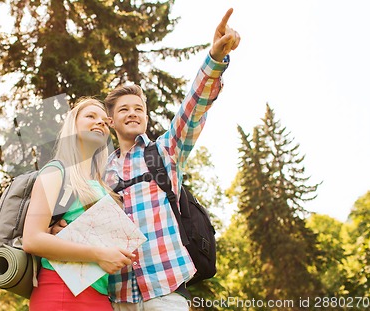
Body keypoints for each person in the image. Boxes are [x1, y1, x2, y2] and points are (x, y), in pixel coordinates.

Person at [51, 8, 240, 311]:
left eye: (138, 108)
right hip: (117, 295)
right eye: (124, 109)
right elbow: (83, 226)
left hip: (165, 288)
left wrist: (215, 60)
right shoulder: (100, 175)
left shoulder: (165, 151)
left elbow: (193, 109)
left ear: (146, 116)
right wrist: (61, 231)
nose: (132, 113)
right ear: (110, 121)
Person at [22, 98, 134, 311]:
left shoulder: (103, 185)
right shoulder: (57, 171)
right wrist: (99, 254)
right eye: (91, 116)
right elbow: (32, 239)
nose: (100, 122)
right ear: (72, 126)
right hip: (60, 292)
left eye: (104, 120)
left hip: (101, 296)